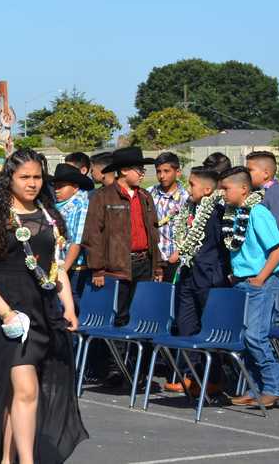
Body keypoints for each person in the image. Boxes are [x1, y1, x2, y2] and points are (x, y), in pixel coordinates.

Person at [0, 150, 87, 463]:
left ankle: (7, 458)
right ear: (9, 179)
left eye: (37, 177)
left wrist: (68, 306)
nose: (32, 183)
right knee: (25, 387)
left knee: (19, 393)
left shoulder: (49, 217)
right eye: (24, 177)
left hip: (42, 309)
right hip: (6, 313)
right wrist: (5, 312)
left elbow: (56, 269)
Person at [219, 166, 279, 408]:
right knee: (245, 338)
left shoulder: (258, 213)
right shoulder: (234, 213)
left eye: (226, 188)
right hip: (241, 281)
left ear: (244, 188)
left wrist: (260, 278)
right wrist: (233, 273)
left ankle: (274, 387)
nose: (222, 193)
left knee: (256, 336)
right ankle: (255, 388)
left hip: (261, 283)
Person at [161, 166, 228, 397]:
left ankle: (213, 378)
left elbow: (221, 246)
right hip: (188, 274)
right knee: (187, 324)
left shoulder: (218, 211)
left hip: (208, 276)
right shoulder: (190, 208)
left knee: (208, 327)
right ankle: (190, 375)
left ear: (208, 189)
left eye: (192, 184)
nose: (188, 189)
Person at [82, 147, 164, 326]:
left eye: (143, 169)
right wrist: (97, 269)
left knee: (142, 314)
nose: (143, 173)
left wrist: (157, 266)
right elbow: (93, 233)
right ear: (124, 170)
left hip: (144, 264)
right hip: (116, 266)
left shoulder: (145, 196)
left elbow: (153, 232)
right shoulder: (103, 196)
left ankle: (136, 354)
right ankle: (115, 354)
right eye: (139, 169)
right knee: (118, 315)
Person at [246, 150, 279, 326]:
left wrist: (267, 271)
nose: (246, 175)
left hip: (276, 270)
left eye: (250, 170)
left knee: (276, 317)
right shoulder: (254, 197)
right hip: (260, 269)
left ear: (266, 173)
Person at [53, 164, 94, 298]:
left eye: (61, 186)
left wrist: (62, 272)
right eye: (55, 186)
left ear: (75, 187)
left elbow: (77, 242)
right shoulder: (58, 206)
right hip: (59, 266)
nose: (56, 190)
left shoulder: (81, 206)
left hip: (74, 269)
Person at [149, 152, 189, 284]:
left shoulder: (186, 198)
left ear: (177, 172)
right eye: (158, 171)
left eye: (167, 171)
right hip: (154, 258)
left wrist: (179, 252)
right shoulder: (149, 194)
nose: (162, 176)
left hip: (175, 259)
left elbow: (191, 229)